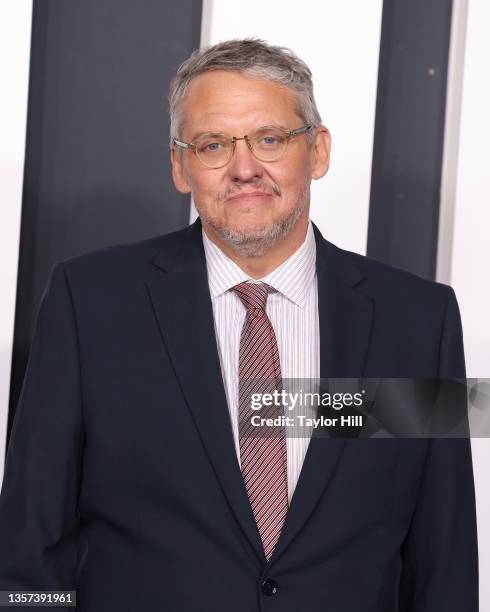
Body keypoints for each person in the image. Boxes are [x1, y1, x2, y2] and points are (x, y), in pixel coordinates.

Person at [0, 39, 478, 611]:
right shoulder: (90, 302)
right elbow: (30, 544)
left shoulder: (420, 321)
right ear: (180, 166)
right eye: (213, 145)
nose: (245, 168)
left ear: (318, 151)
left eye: (270, 139)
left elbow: (444, 559)